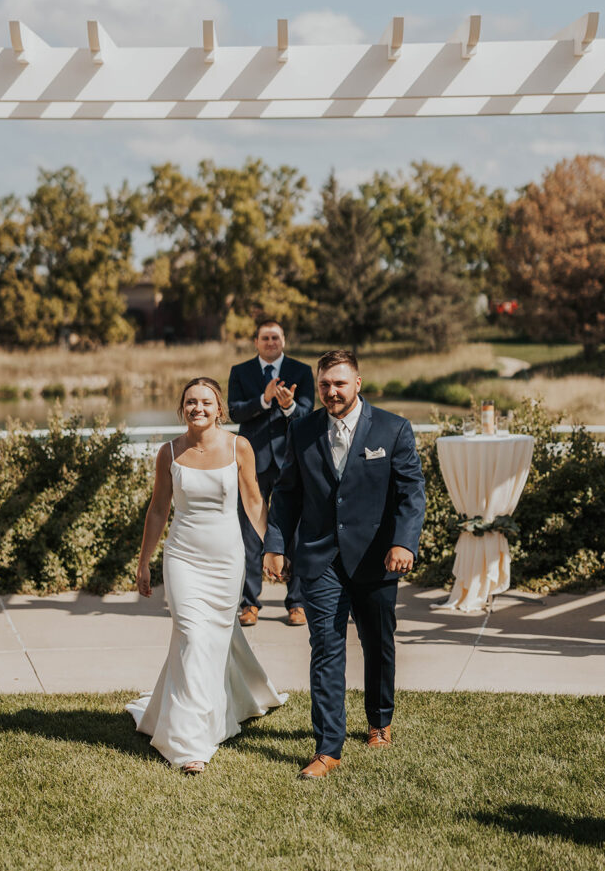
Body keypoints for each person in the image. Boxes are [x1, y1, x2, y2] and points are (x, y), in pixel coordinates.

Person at [263, 350, 425, 780]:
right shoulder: (302, 430)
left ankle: (379, 721)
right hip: (320, 558)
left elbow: (412, 494)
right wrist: (274, 545)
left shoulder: (393, 429)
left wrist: (403, 543)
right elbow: (286, 494)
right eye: (324, 385)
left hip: (377, 557)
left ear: (358, 383)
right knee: (326, 652)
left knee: (378, 642)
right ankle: (327, 748)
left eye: (339, 383)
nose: (331, 392)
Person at [126, 377, 287, 775]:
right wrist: (145, 560)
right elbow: (159, 509)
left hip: (226, 559)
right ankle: (189, 742)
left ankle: (220, 704)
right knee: (192, 636)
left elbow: (253, 499)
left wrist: (272, 547)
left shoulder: (238, 446)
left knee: (212, 641)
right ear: (182, 409)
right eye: (191, 402)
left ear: (220, 409)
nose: (199, 408)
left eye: (207, 402)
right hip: (182, 557)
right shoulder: (168, 452)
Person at [228, 319, 315, 627]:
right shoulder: (240, 372)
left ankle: (297, 602)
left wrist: (289, 406)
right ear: (256, 342)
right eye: (265, 337)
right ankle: (250, 603)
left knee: (294, 532)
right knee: (251, 535)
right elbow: (235, 412)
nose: (270, 342)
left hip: (291, 462)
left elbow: (308, 415)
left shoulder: (301, 371)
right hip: (250, 464)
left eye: (276, 337)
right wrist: (264, 400)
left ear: (284, 340)